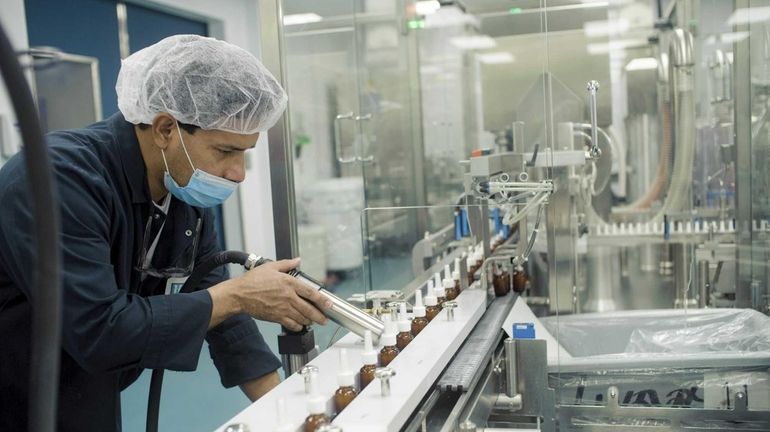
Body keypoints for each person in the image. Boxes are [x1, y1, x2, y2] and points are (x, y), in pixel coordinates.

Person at [0, 34, 331, 431]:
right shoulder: (61, 180)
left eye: (245, 153)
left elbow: (220, 308)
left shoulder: (181, 190)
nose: (238, 174)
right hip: (17, 394)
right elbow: (99, 330)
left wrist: (293, 415)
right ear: (164, 129)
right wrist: (238, 294)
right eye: (226, 151)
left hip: (83, 387)